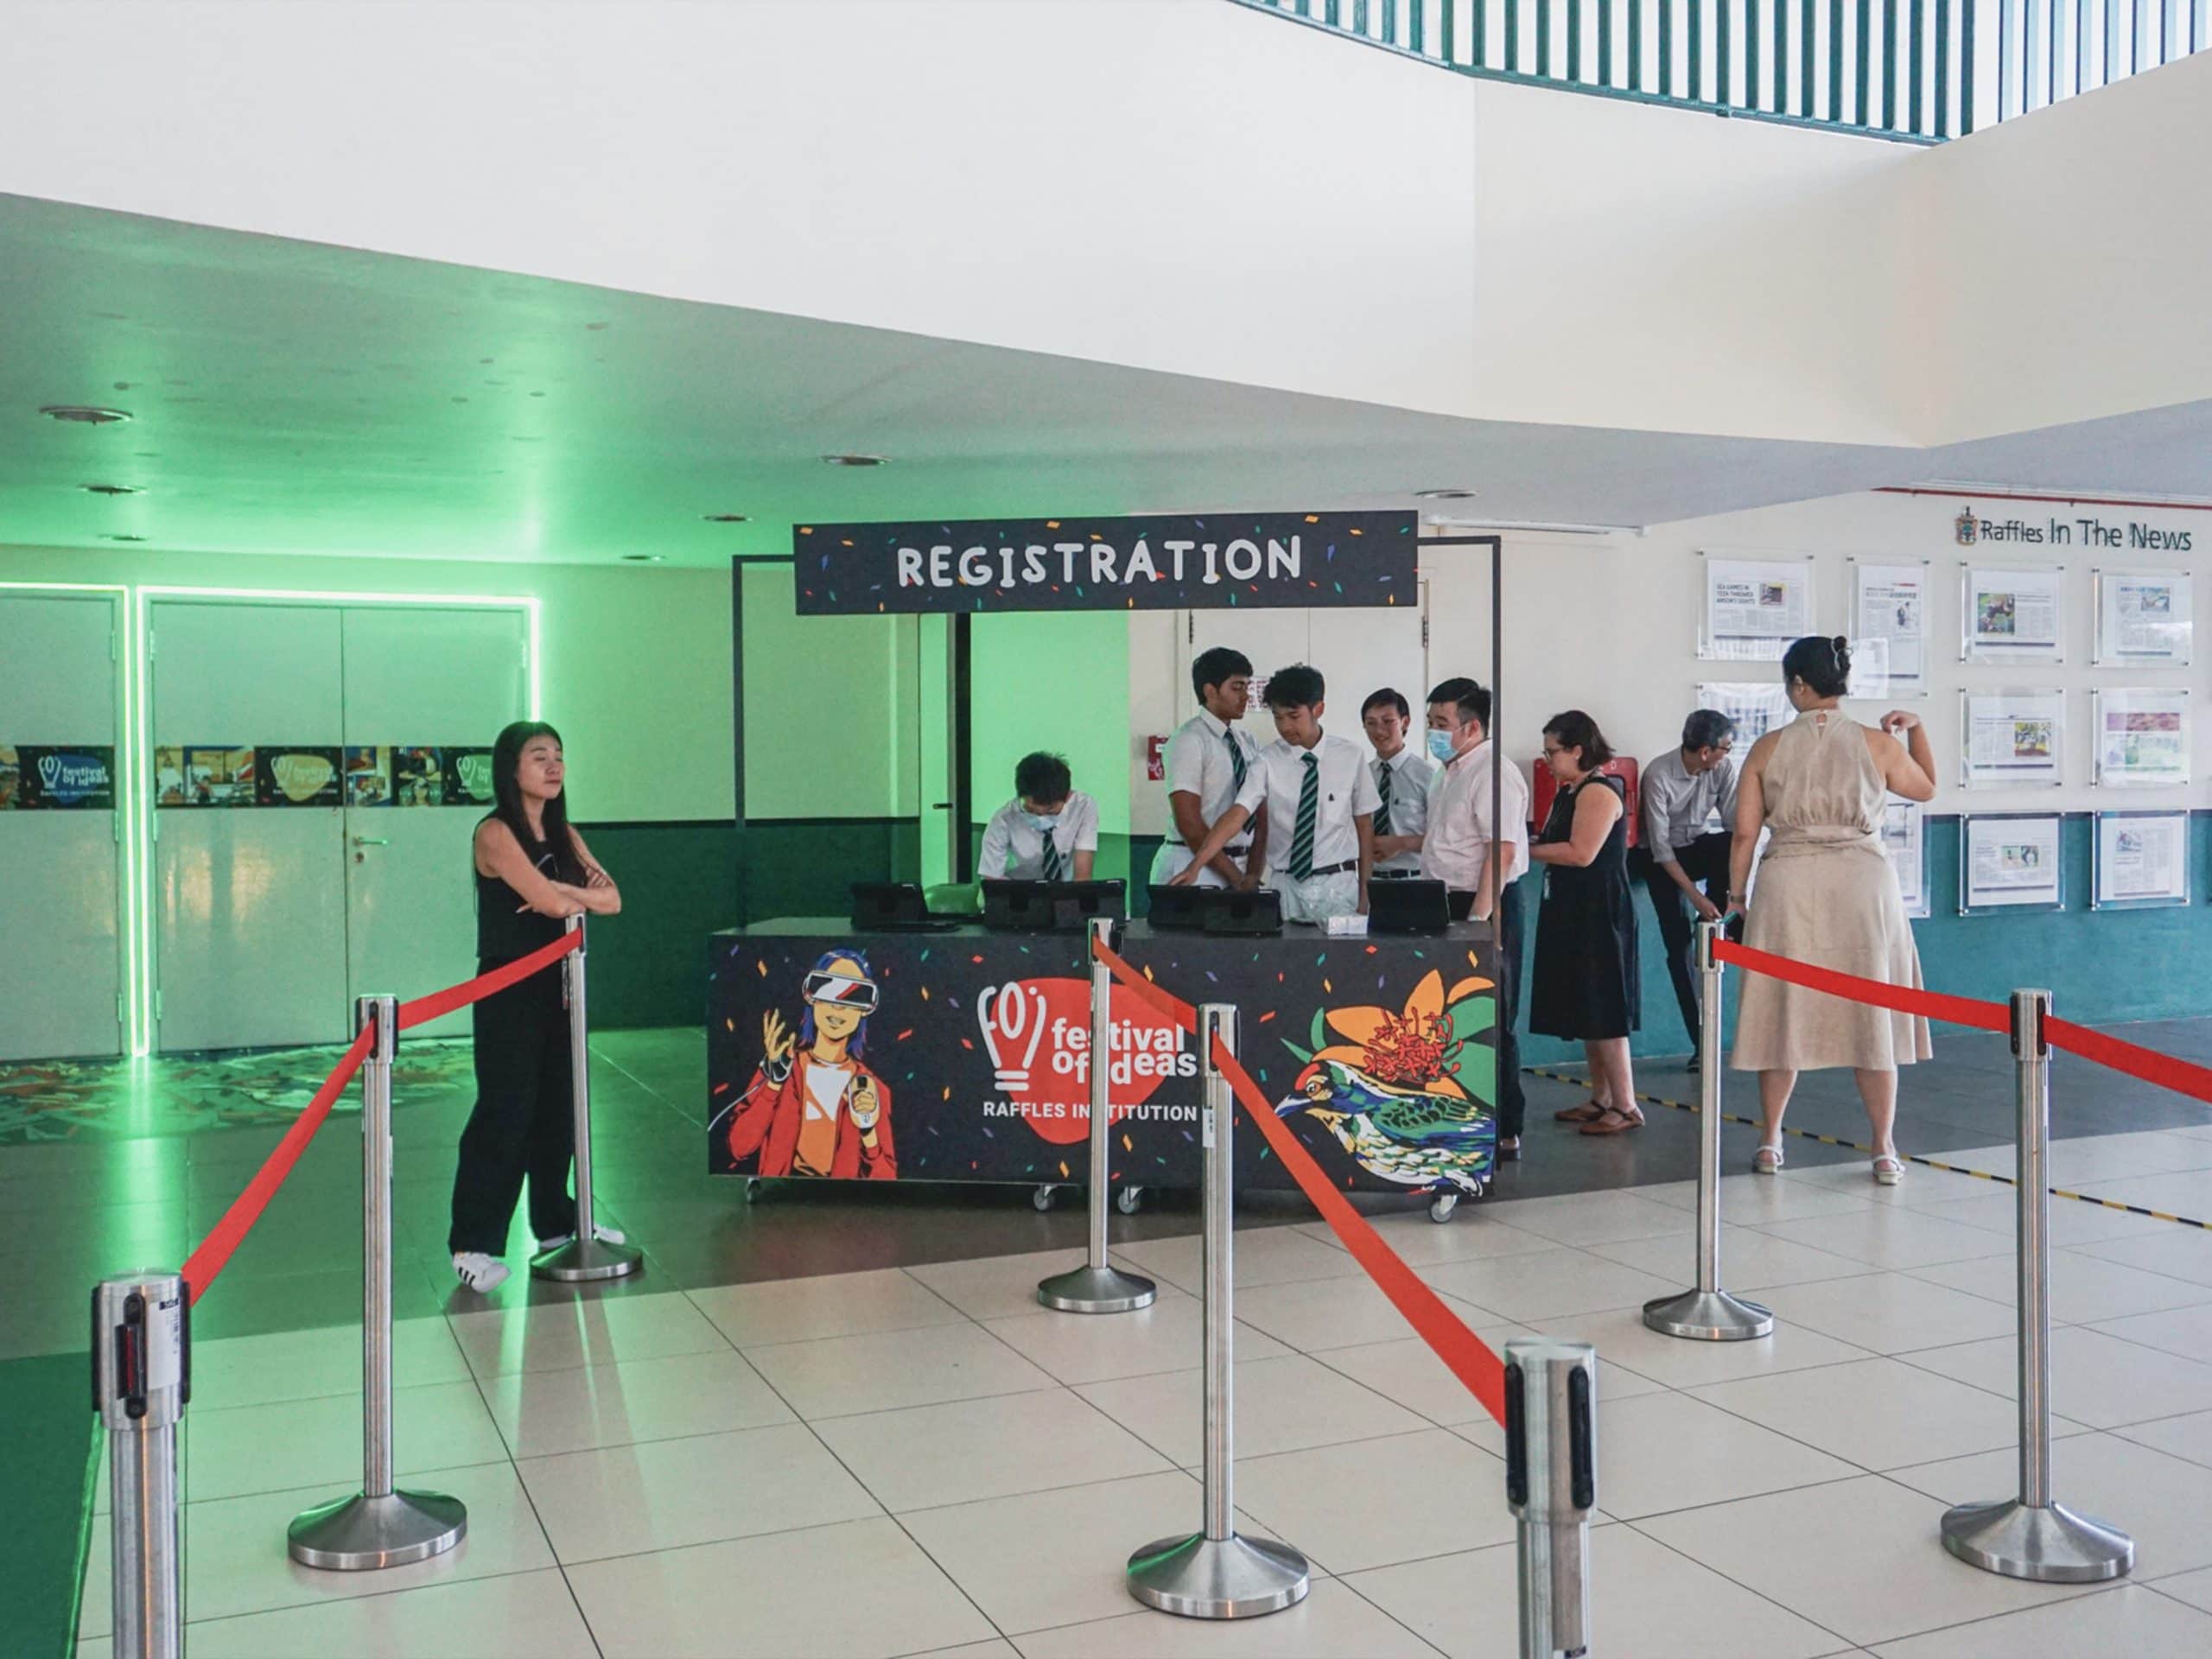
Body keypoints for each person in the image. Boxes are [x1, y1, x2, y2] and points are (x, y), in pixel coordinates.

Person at [1727, 635, 1936, 1185]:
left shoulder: (1767, 747)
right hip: (1863, 882)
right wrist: (1914, 730)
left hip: (1788, 880)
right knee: (1874, 1010)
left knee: (1781, 1010)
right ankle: (1884, 1148)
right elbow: (1927, 789)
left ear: (1799, 684)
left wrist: (1735, 897)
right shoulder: (1878, 744)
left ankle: (1771, 1140)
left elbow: (1746, 833)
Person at [448, 721, 622, 1294]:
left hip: (561, 984)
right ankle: (473, 1243)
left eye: (559, 756)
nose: (553, 766)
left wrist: (563, 900)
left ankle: (554, 1223)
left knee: (559, 1106)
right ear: (511, 768)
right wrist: (566, 899)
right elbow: (550, 901)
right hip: (508, 989)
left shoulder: (564, 832)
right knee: (507, 1109)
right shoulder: (496, 833)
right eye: (538, 756)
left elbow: (612, 899)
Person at [1170, 663, 1377, 922]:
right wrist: (1196, 865)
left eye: (1293, 716)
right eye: (1278, 717)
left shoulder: (1351, 756)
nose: (1285, 726)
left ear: (1318, 709)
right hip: (1285, 887)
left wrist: (1366, 894)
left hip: (1338, 884)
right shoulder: (1266, 760)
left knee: (1341, 962)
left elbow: (1364, 828)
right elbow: (1237, 815)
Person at [1422, 677, 1532, 1160]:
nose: (1433, 731)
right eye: (1430, 722)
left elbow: (1502, 851)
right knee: (1448, 1020)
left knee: (1492, 1016)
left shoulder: (1493, 771)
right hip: (1444, 901)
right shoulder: (1449, 771)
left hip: (1486, 904)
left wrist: (1478, 921)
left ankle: (1505, 1127)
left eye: (1440, 723)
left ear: (1471, 726)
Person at [1529, 711, 1642, 1136]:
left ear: (1578, 750)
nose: (1549, 761)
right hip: (1571, 908)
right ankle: (1602, 1096)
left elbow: (1581, 853)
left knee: (1606, 1006)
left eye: (1553, 752)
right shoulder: (1569, 791)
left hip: (1600, 910)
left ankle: (1627, 1104)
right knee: (1587, 1007)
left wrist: (1524, 852)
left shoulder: (1599, 791)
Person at [724, 949, 897, 1179]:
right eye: (829, 989)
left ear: (865, 1008)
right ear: (811, 996)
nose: (838, 1006)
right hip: (782, 1201)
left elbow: (887, 1178)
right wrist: (773, 1085)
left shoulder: (872, 1090)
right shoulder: (783, 1067)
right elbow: (739, 1147)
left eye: (854, 995)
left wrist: (868, 1132)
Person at [1635, 709, 1739, 1065]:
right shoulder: (1659, 774)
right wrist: (1694, 896)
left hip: (1695, 846)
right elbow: (1661, 849)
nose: (1729, 753)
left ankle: (1722, 920)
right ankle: (1702, 1043)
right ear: (1706, 750)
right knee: (1678, 947)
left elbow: (1735, 825)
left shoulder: (1722, 769)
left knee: (1728, 842)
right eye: (1725, 747)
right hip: (1659, 860)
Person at [1149, 645, 1268, 889]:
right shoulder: (1189, 740)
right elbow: (1189, 825)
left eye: (1247, 688)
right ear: (1210, 691)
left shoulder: (1247, 742)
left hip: (1242, 864)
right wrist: (1235, 879)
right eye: (1236, 688)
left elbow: (1261, 814)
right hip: (1193, 863)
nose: (1245, 696)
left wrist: (1252, 874)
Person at [979, 751, 1097, 880]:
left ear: (1067, 796)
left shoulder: (1083, 807)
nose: (1041, 818)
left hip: (1064, 894)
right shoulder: (1003, 819)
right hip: (1016, 892)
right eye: (1031, 810)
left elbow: (1083, 876)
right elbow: (992, 879)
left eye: (1050, 811)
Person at [1362, 687, 1439, 876]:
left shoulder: (1427, 775)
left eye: (1388, 721)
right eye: (1371, 723)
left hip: (1414, 880)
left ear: (1405, 722)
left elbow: (1444, 839)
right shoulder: (1361, 775)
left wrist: (1401, 843)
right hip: (1368, 881)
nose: (1379, 730)